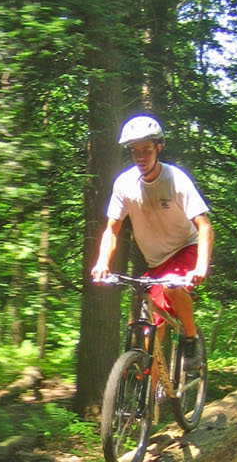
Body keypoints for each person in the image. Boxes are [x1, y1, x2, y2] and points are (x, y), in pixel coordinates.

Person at [88, 113, 213, 375]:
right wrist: (102, 261)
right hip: (156, 262)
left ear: (159, 147)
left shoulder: (175, 180)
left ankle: (190, 340)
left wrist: (200, 267)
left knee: (173, 286)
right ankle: (148, 403)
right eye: (135, 152)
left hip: (185, 249)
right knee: (150, 333)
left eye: (146, 150)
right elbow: (112, 229)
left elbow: (204, 226)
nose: (141, 158)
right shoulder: (124, 184)